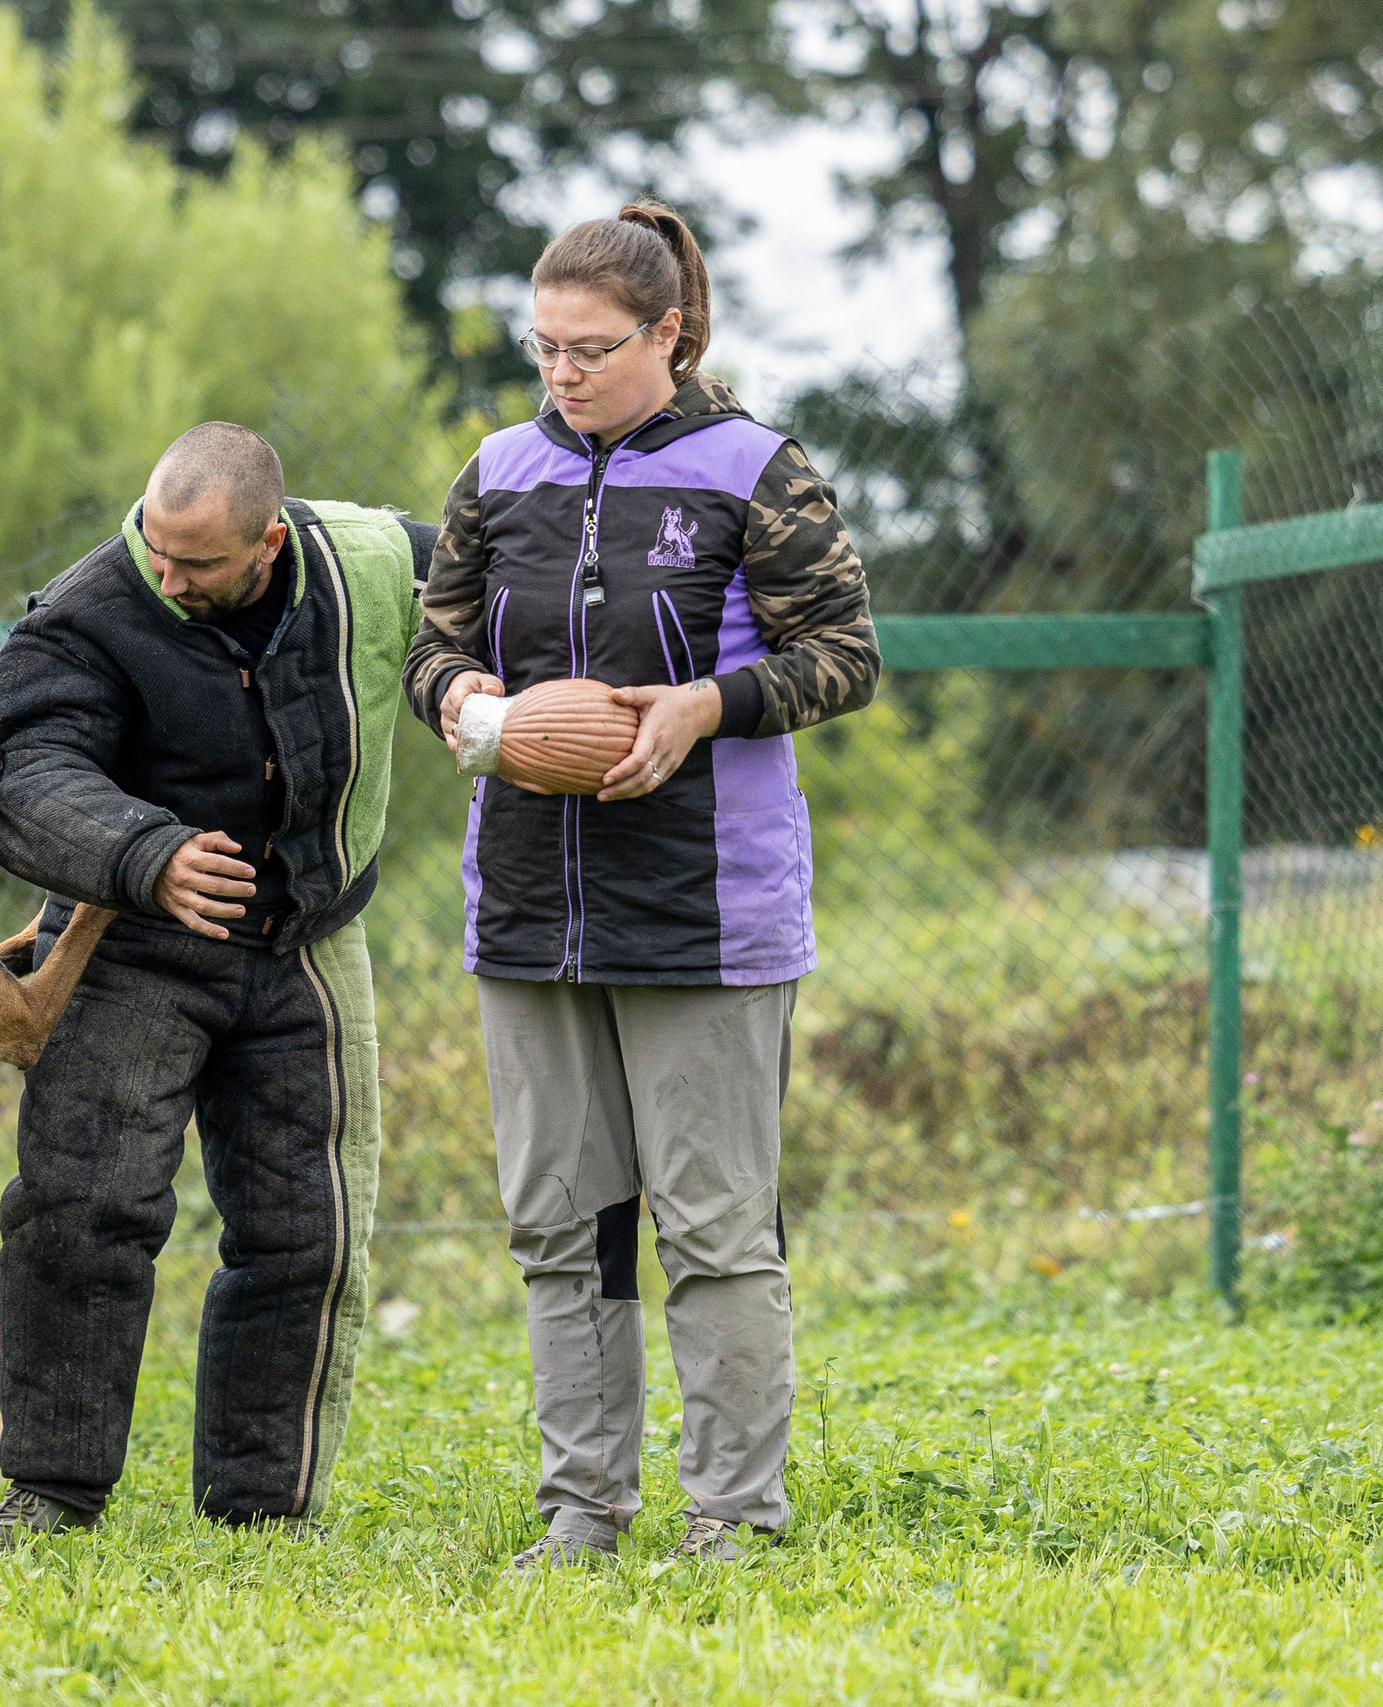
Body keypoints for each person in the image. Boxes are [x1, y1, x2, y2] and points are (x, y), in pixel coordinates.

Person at [403, 202, 880, 1568]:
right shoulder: (494, 471)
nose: (562, 374)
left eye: (592, 349)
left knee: (715, 1225)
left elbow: (845, 653)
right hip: (527, 906)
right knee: (564, 1222)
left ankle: (732, 1513)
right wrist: (469, 702)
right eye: (544, 348)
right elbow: (431, 648)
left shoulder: (758, 469)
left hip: (707, 907)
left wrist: (705, 704)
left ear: (668, 334)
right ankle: (581, 1509)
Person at [0, 422, 432, 1538]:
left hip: (306, 939)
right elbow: (10, 766)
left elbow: (513, 576)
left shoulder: (367, 562)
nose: (168, 578)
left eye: (199, 565)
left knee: (306, 1232)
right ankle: (52, 1493)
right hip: (126, 946)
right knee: (82, 1209)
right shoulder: (92, 608)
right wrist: (144, 853)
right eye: (157, 552)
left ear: (268, 540)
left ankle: (262, 1509)